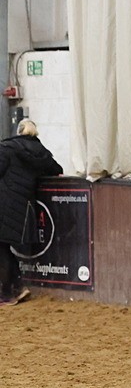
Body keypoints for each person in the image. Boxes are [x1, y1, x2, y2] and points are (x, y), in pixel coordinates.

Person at [0, 119, 63, 305]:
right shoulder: (42, 153)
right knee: (4, 247)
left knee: (1, 248)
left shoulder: (6, 148)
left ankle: (9, 292)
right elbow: (57, 170)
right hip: (24, 207)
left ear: (18, 131)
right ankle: (17, 287)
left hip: (4, 205)